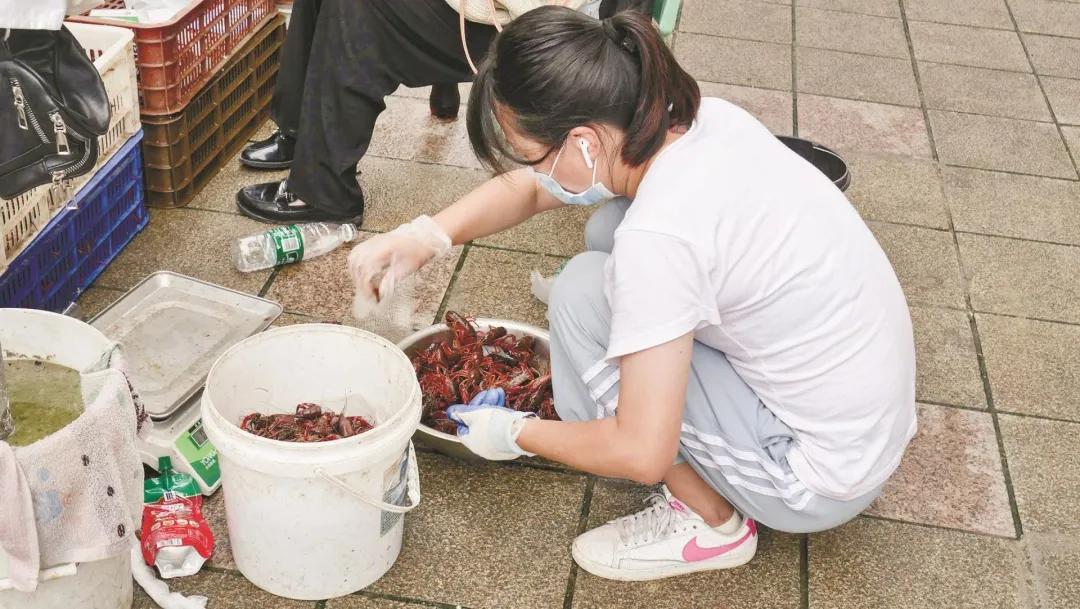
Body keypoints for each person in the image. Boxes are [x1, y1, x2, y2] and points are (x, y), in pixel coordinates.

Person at [348, 7, 916, 582]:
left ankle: (712, 524)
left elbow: (641, 451)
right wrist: (426, 236)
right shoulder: (697, 121)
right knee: (607, 229)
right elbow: (535, 189)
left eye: (532, 154)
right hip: (864, 422)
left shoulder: (661, 240)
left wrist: (513, 433)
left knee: (581, 301)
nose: (534, 172)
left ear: (584, 141)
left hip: (812, 479)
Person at [235, 0, 648, 224]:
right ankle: (304, 133)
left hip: (551, 23)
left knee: (357, 7)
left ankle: (323, 190)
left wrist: (429, 236)